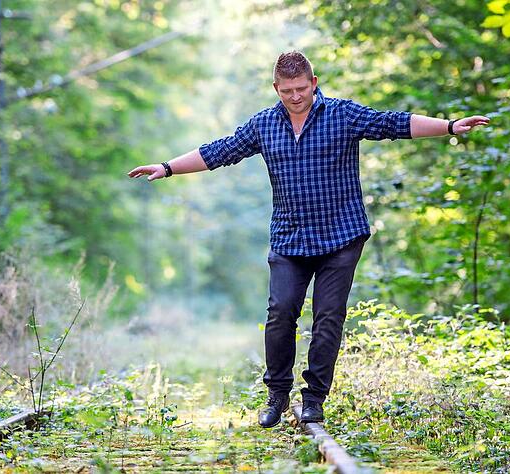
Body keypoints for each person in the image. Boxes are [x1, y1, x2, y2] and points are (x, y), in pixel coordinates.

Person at [127, 50, 489, 428]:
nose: (295, 96)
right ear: (276, 89)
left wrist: (448, 126)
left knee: (328, 317)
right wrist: (167, 167)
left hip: (341, 236)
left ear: (314, 83)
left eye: (301, 88)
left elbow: (391, 124)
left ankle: (314, 399)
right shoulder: (264, 124)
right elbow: (220, 151)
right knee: (280, 313)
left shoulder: (343, 115)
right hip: (290, 238)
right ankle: (277, 396)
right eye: (287, 91)